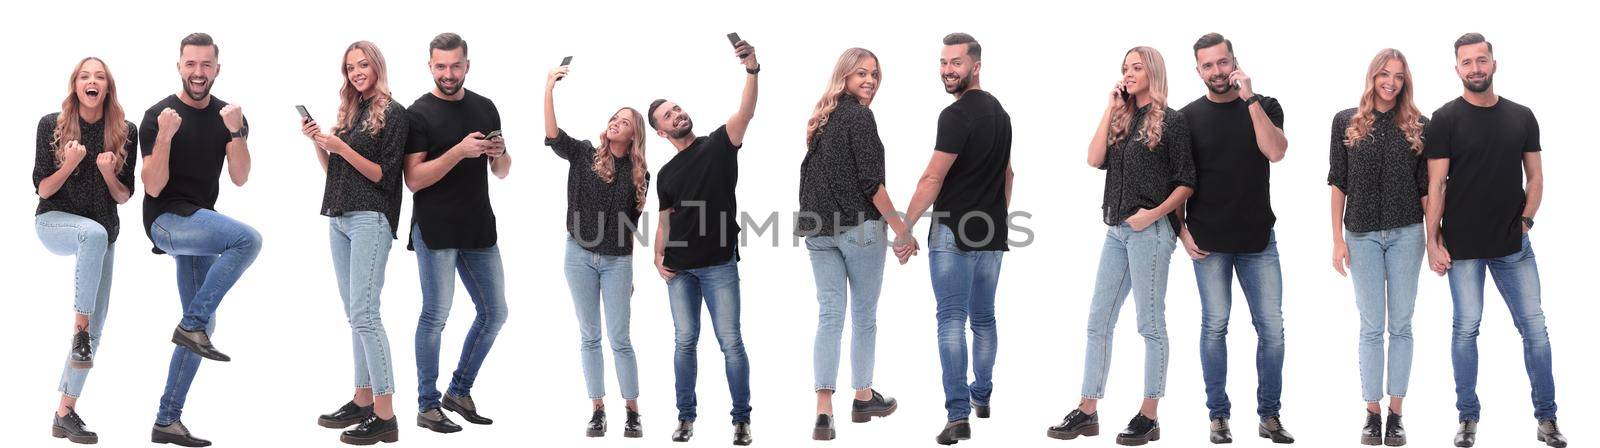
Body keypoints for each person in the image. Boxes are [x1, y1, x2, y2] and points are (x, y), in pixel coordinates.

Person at [1424, 33, 1565, 448]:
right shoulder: (1444, 119)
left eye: (1481, 60)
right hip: (1462, 247)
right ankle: (1467, 418)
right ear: (1457, 69)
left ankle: (1548, 419)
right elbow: (1436, 186)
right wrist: (1432, 242)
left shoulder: (1521, 116)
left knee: (1535, 329)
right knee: (1465, 329)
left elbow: (1536, 177)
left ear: (1493, 63)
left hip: (1512, 245)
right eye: (1466, 62)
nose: (1475, 68)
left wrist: (1526, 221)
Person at [1048, 46, 1193, 446]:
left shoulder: (1173, 121)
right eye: (1124, 68)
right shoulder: (1123, 118)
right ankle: (1087, 409)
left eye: (1136, 68)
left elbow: (1186, 182)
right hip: (1115, 231)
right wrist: (1111, 108)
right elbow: (1094, 159)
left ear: (1153, 72)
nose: (1128, 74)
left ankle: (1149, 415)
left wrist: (1153, 215)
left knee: (1149, 324)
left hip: (1150, 232)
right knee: (1098, 321)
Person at [141, 32, 262, 448]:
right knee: (247, 240)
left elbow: (241, 177)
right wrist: (165, 136)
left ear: (217, 69)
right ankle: (190, 326)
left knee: (204, 324)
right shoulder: (158, 114)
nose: (198, 72)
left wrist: (237, 133)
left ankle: (166, 421)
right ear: (179, 66)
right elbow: (153, 189)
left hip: (202, 226)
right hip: (168, 222)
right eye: (190, 64)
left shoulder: (228, 116)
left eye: (205, 65)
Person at [1178, 32, 1293, 444]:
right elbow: (1178, 180)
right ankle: (1218, 415)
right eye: (1207, 65)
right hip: (1207, 241)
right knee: (1214, 327)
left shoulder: (1265, 105)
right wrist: (1181, 230)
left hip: (1258, 239)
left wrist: (1251, 102)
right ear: (1198, 71)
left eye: (1222, 62)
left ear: (1235, 63)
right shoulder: (1185, 118)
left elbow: (1276, 152)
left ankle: (1270, 416)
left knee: (1273, 331)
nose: (1216, 71)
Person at [898, 33, 1013, 446]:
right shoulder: (1001, 114)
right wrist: (996, 218)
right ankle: (982, 397)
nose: (948, 70)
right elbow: (1008, 175)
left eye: (956, 62)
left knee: (951, 320)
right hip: (992, 232)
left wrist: (904, 227)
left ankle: (958, 414)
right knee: (983, 318)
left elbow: (933, 177)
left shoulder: (957, 114)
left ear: (975, 66)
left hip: (952, 231)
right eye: (943, 62)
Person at [647, 35, 760, 446]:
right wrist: (657, 257)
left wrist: (751, 68)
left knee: (731, 343)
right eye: (667, 115)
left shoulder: (718, 144)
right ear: (660, 132)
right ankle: (685, 418)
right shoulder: (665, 175)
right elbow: (664, 221)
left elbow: (746, 111)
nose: (676, 114)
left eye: (676, 108)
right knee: (684, 343)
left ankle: (741, 420)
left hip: (718, 264)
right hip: (679, 271)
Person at [796, 47, 908, 441]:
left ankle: (824, 410)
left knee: (829, 316)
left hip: (817, 229)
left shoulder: (821, 119)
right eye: (861, 73)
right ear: (843, 75)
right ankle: (862, 396)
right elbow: (871, 183)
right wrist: (901, 229)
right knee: (863, 315)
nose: (870, 80)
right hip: (858, 229)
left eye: (875, 74)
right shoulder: (861, 116)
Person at [402, 32, 511, 434]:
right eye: (441, 66)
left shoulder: (485, 107)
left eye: (456, 65)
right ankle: (427, 406)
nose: (449, 73)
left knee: (495, 313)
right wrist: (458, 152)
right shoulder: (418, 114)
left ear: (467, 64)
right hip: (436, 227)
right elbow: (413, 179)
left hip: (479, 226)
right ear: (430, 66)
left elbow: (501, 171)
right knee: (435, 316)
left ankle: (458, 392)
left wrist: (499, 154)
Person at [302, 41, 409, 445]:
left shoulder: (394, 113)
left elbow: (384, 175)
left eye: (363, 65)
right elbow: (336, 170)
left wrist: (341, 145)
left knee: (366, 313)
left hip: (371, 218)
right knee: (354, 314)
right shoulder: (352, 111)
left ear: (377, 66)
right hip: (340, 216)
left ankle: (385, 415)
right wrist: (320, 142)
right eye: (350, 67)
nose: (357, 72)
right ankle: (363, 399)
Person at [1327, 48, 1428, 447]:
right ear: (1372, 77)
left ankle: (1396, 414)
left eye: (1398, 77)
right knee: (1371, 327)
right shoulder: (1346, 122)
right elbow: (1338, 182)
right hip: (1362, 235)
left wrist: (1434, 237)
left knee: (1401, 325)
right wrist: (1336, 239)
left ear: (1406, 82)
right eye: (1384, 74)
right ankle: (1372, 413)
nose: (1391, 82)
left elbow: (1426, 190)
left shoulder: (1420, 126)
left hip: (1407, 234)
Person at [35, 56, 137, 445]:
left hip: (102, 232)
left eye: (99, 77)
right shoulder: (52, 125)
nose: (92, 82)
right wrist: (70, 163)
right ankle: (79, 330)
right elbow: (43, 189)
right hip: (54, 222)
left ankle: (65, 413)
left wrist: (109, 171)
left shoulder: (123, 131)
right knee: (92, 235)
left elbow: (124, 196)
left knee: (98, 329)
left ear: (107, 88)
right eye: (84, 76)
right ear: (75, 85)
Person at [543, 61, 648, 439]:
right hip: (579, 256)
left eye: (625, 120)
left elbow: (631, 225)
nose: (616, 122)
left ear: (635, 133)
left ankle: (633, 412)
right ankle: (597, 409)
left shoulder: (640, 175)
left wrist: (631, 272)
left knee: (620, 338)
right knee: (589, 335)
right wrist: (549, 89)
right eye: (614, 117)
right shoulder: (585, 153)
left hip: (618, 261)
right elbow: (553, 136)